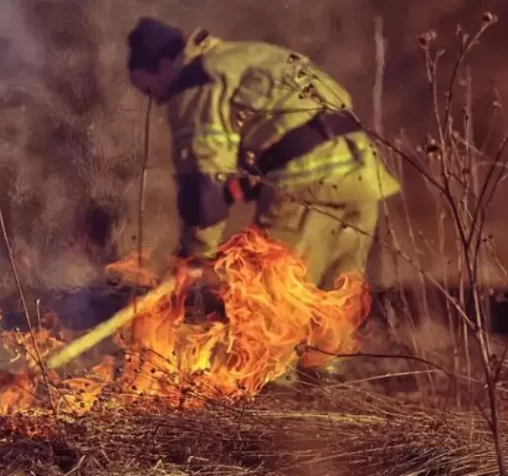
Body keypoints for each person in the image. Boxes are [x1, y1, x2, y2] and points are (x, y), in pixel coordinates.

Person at [126, 16, 400, 300]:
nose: (157, 101)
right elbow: (287, 123)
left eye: (149, 90)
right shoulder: (242, 57)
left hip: (307, 182)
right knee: (332, 307)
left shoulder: (194, 83)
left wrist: (192, 260)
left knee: (271, 305)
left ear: (164, 65)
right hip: (359, 172)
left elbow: (204, 188)